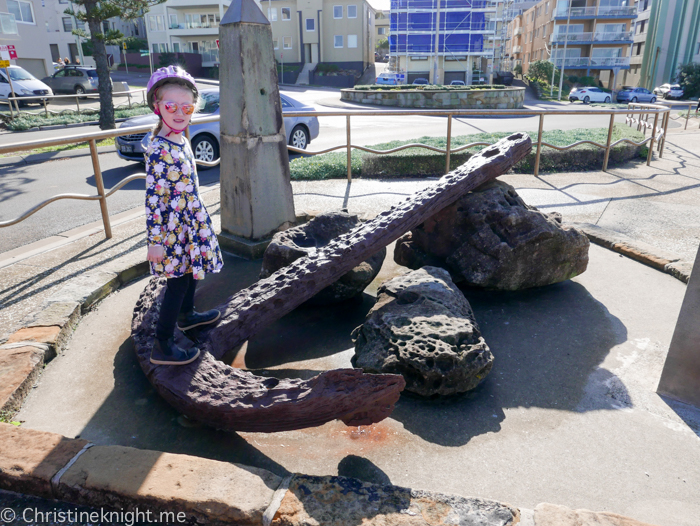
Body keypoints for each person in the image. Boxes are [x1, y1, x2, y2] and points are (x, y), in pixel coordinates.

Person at [144, 65, 223, 366]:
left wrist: (202, 218)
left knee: (191, 270)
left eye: (186, 106)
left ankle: (187, 315)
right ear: (157, 106)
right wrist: (155, 241)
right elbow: (154, 199)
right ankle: (162, 343)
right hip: (171, 229)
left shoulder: (182, 139)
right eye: (171, 106)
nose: (180, 112)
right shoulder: (158, 149)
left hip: (191, 223)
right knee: (177, 280)